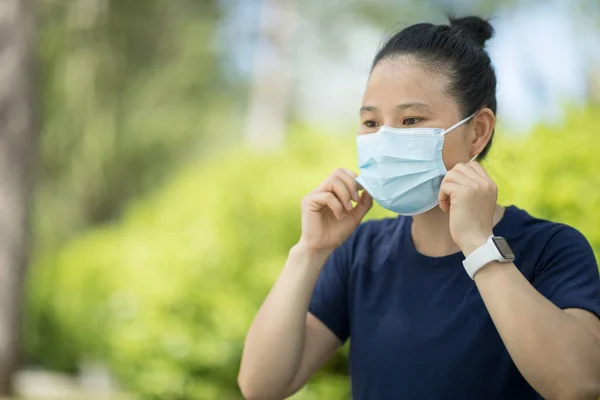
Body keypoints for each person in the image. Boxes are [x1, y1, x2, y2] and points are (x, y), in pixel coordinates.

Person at [237, 15, 600, 400]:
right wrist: (309, 251)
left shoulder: (552, 248)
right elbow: (261, 386)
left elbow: (579, 385)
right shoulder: (360, 253)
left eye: (411, 119)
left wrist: (479, 245)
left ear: (477, 131)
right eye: (371, 122)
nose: (386, 137)